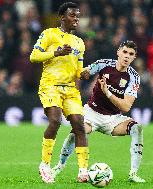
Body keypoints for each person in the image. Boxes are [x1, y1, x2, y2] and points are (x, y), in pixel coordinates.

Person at [52, 40, 146, 183]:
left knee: (137, 128)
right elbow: (84, 73)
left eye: (131, 54)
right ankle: (59, 166)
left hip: (113, 119)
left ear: (134, 57)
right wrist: (76, 66)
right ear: (118, 52)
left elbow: (126, 107)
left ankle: (133, 173)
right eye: (125, 52)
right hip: (91, 113)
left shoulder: (134, 77)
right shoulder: (104, 64)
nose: (127, 56)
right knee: (77, 132)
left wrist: (107, 93)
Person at [29, 2, 89, 184]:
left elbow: (78, 69)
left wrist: (84, 73)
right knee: (55, 120)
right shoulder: (49, 34)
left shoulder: (80, 42)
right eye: (72, 15)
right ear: (62, 17)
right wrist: (56, 52)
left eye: (78, 15)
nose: (76, 19)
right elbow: (33, 56)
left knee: (79, 125)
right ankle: (45, 165)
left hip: (70, 89)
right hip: (51, 85)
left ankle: (83, 171)